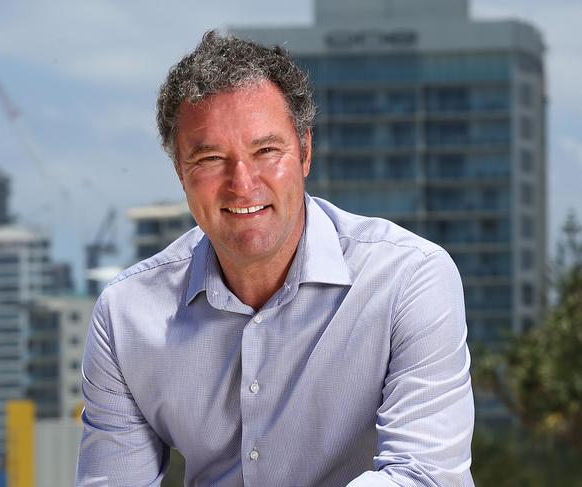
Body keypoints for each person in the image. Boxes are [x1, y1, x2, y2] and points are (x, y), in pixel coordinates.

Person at [76, 31, 474, 486]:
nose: (242, 184)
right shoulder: (126, 315)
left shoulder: (409, 279)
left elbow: (424, 476)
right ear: (180, 172)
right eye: (209, 158)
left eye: (266, 151)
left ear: (305, 151)